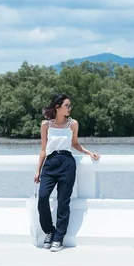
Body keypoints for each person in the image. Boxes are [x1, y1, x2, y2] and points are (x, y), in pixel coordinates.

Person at [33, 94, 100, 252]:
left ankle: (58, 238)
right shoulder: (46, 125)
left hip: (67, 163)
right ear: (58, 107)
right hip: (50, 164)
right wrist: (38, 170)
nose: (69, 108)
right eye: (67, 106)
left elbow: (75, 143)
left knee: (64, 202)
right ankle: (49, 231)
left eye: (70, 106)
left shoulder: (73, 124)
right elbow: (43, 149)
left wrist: (88, 153)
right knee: (42, 198)